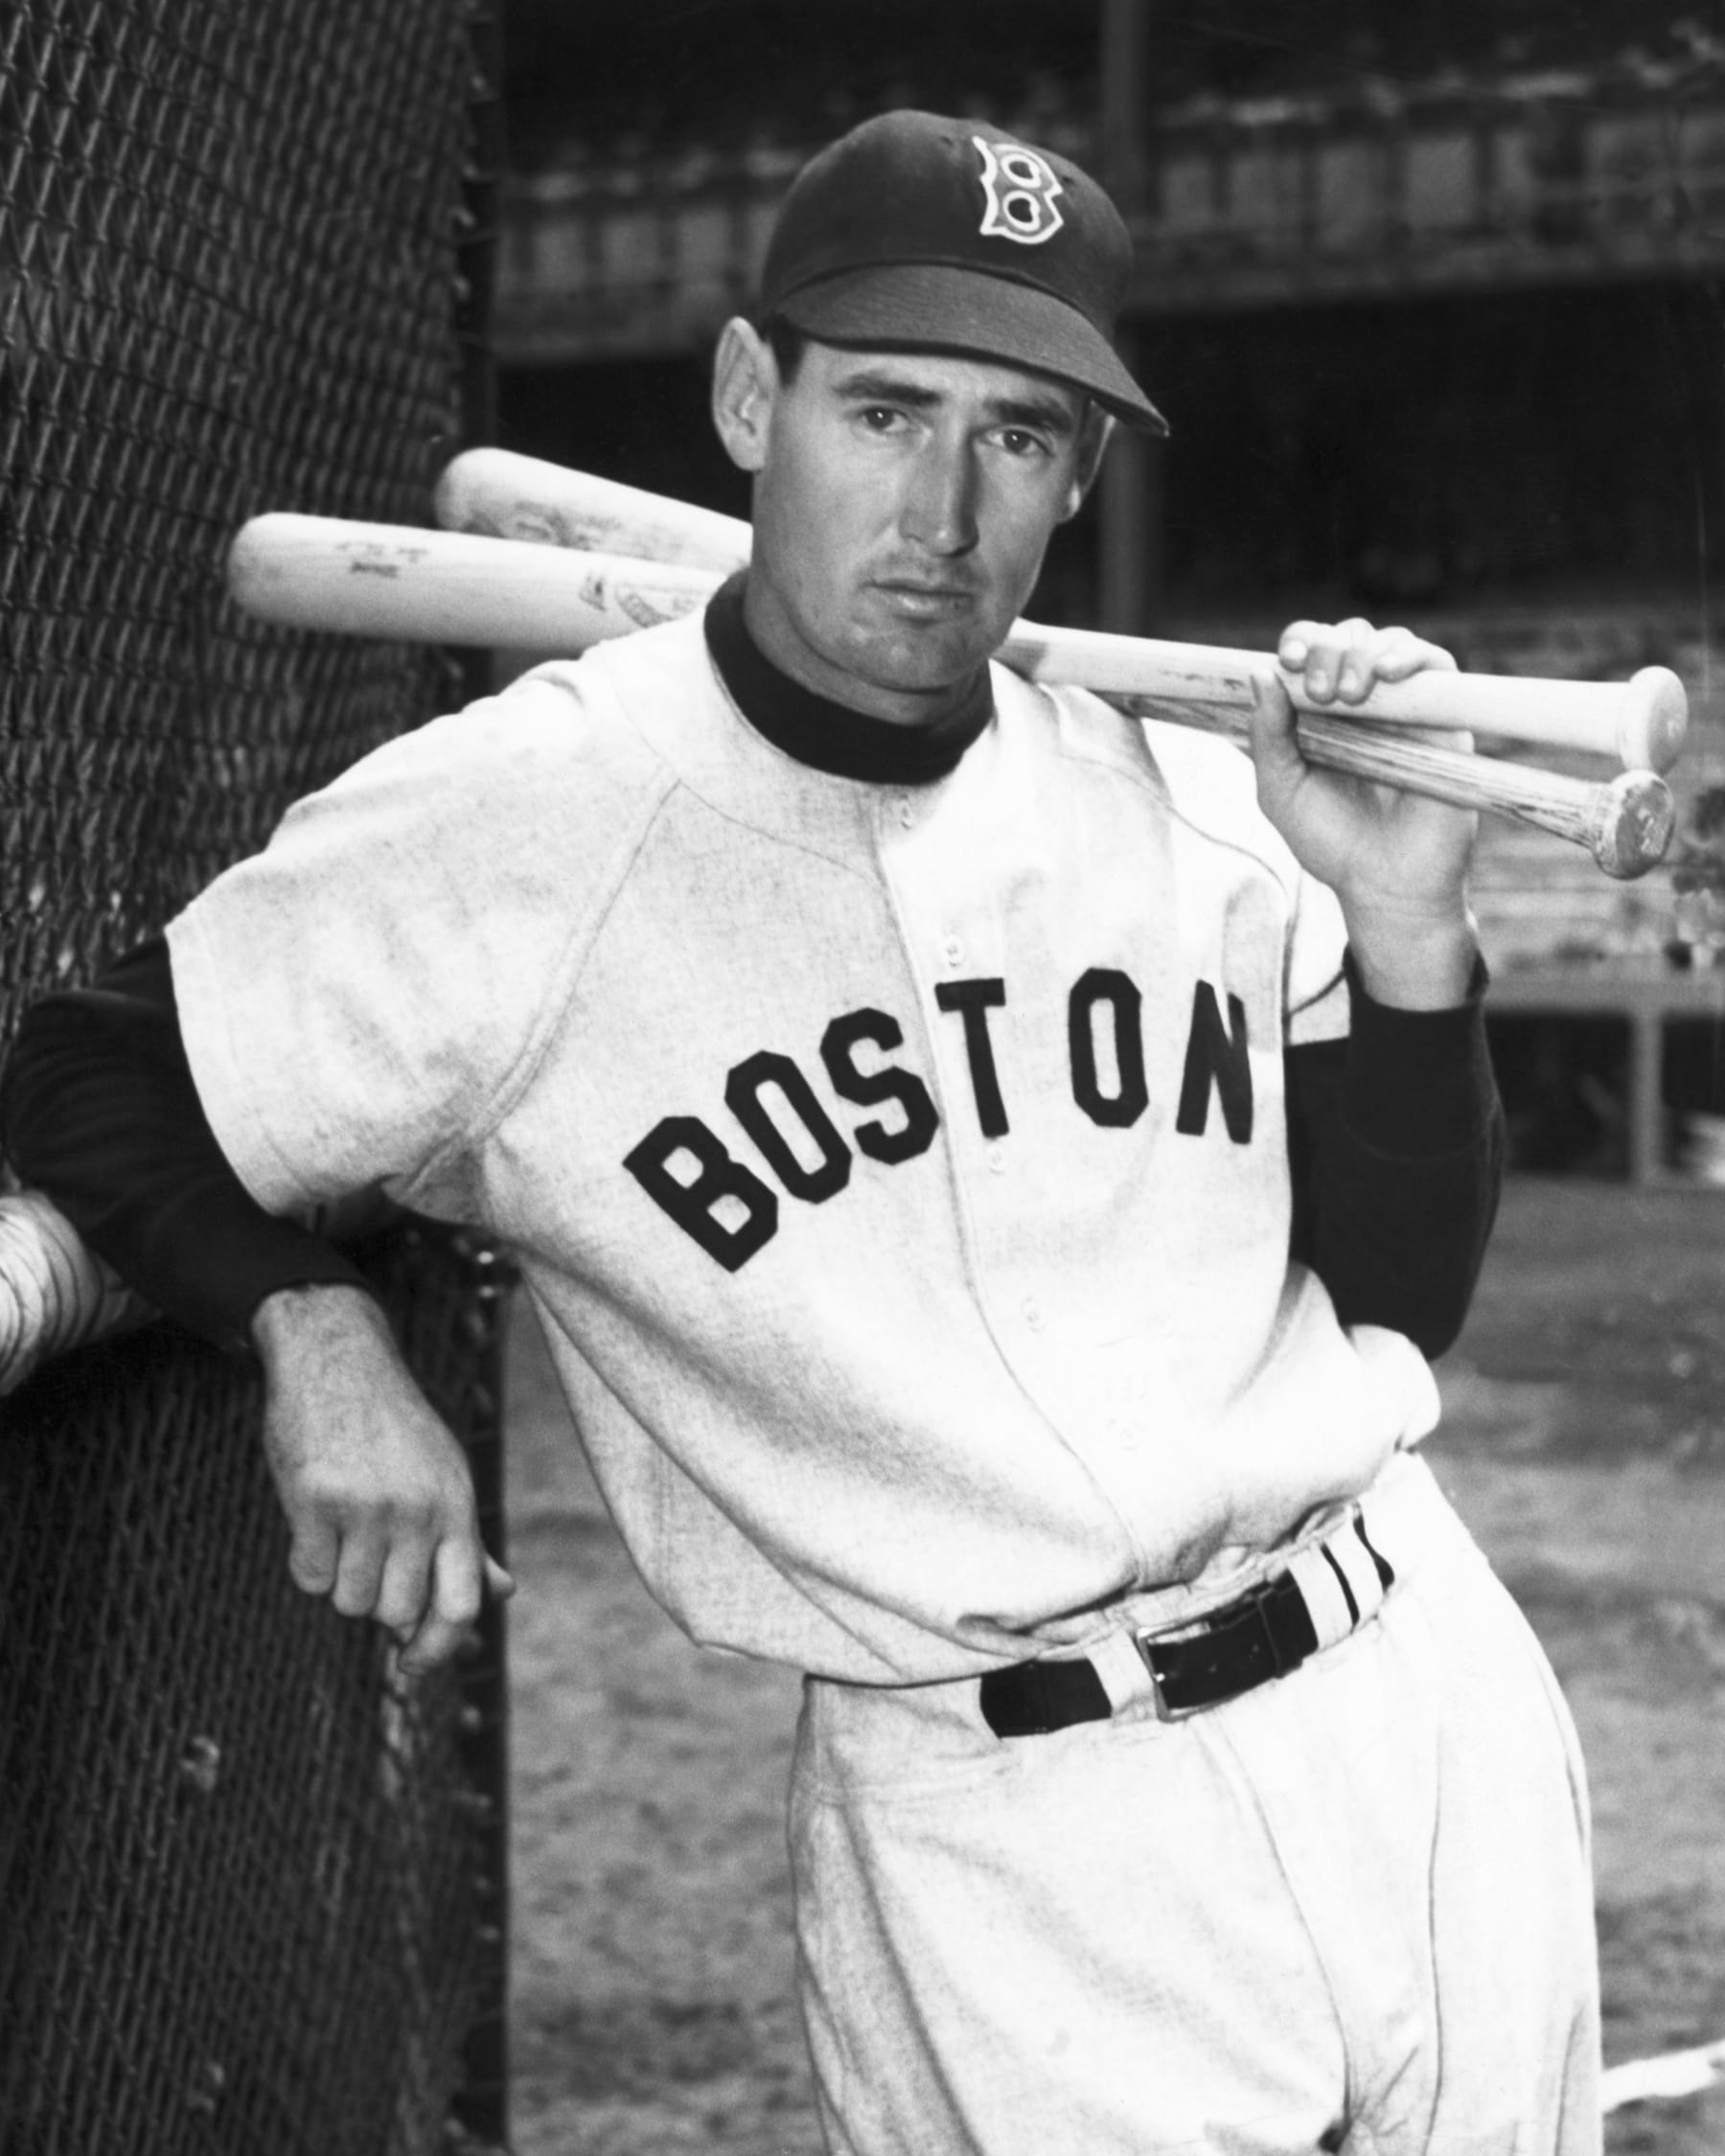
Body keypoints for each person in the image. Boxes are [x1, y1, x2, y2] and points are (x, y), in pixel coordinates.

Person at [2, 109, 1598, 2156]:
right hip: (1017, 1836)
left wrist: (1402, 925)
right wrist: (305, 1325)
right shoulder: (525, 821)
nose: (942, 505)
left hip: (1418, 1697)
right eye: (885, 408)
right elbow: (94, 1062)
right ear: (754, 400)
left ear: (1081, 474)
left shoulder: (1189, 788)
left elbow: (1399, 1294)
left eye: (1018, 434)